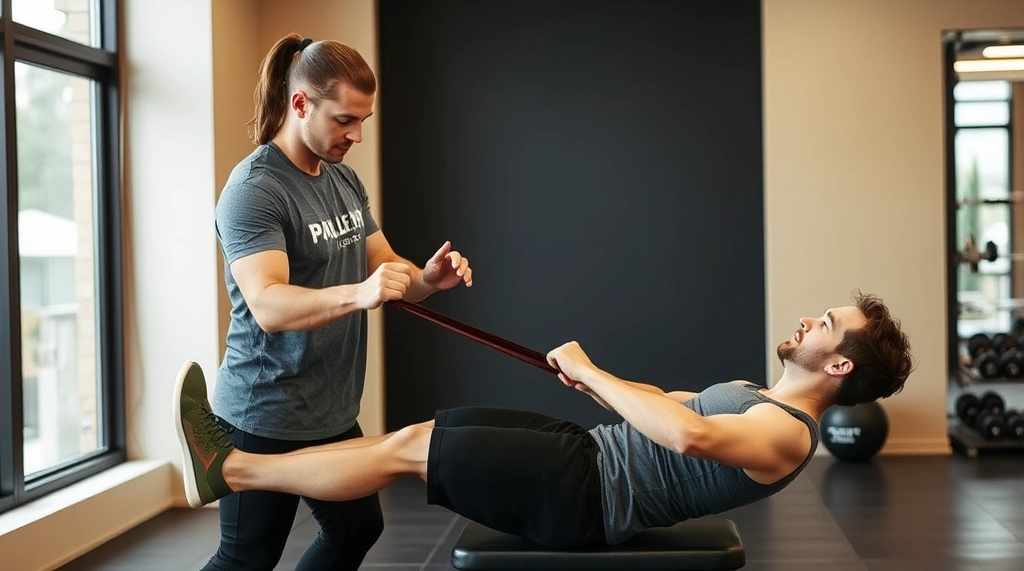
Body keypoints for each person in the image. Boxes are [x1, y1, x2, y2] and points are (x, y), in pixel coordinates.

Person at [175, 290, 914, 550]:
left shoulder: (787, 434)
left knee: (407, 449)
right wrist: (593, 385)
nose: (807, 320)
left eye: (823, 323)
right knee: (417, 436)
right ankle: (240, 469)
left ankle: (232, 469)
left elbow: (687, 434)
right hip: (589, 456)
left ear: (840, 365)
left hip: (585, 499)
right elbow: (664, 402)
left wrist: (594, 372)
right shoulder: (761, 393)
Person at [203, 33, 473, 571]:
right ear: (300, 103)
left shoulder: (343, 181)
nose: (355, 135)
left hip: (328, 409)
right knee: (247, 558)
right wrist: (360, 294)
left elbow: (387, 273)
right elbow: (269, 305)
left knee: (356, 529)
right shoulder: (255, 188)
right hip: (266, 412)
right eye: (344, 120)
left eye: (362, 122)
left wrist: (426, 279)